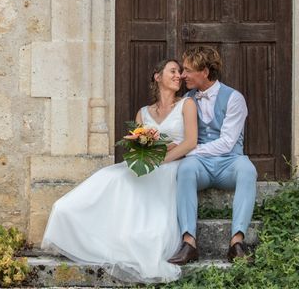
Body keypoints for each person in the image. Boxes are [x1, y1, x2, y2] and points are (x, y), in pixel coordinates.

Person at [41, 59, 198, 283]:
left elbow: (191, 142)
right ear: (157, 76)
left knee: (148, 231)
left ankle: (135, 237)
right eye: (173, 71)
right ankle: (74, 226)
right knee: (109, 177)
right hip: (146, 166)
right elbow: (137, 147)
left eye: (180, 73)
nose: (178, 76)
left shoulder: (187, 105)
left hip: (171, 167)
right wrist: (146, 157)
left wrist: (162, 160)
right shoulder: (143, 113)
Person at [168, 46, 257, 265]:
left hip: (229, 162)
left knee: (248, 169)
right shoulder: (187, 100)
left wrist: (188, 149)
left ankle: (237, 242)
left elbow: (227, 143)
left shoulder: (234, 98)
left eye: (188, 70)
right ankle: (189, 242)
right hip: (200, 165)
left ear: (205, 72)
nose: (183, 75)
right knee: (186, 169)